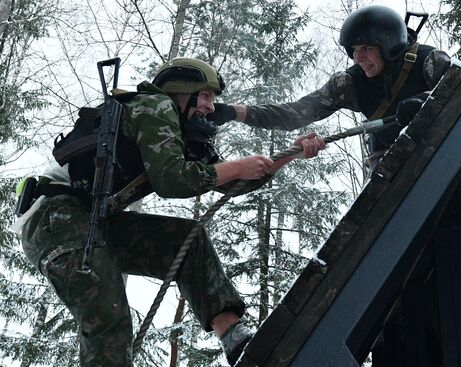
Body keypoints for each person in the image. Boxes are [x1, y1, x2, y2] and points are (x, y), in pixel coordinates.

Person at [17, 58, 325, 366]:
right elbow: (172, 178)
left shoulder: (185, 135)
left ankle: (235, 340)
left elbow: (232, 182)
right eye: (205, 95)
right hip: (55, 218)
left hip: (94, 220)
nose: (210, 106)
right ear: (181, 90)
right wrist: (235, 167)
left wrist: (290, 154)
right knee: (108, 316)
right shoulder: (154, 106)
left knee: (186, 241)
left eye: (213, 99)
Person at [208, 5, 451, 174]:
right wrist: (236, 113)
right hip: (392, 162)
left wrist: (427, 101)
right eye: (353, 51)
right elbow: (295, 113)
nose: (358, 58)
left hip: (446, 146)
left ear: (386, 44)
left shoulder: (429, 62)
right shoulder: (349, 84)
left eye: (366, 49)